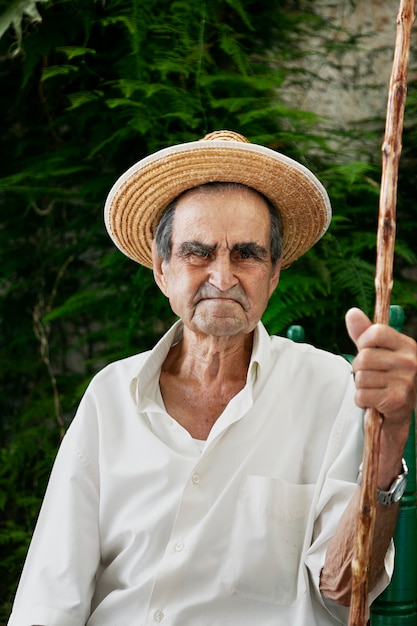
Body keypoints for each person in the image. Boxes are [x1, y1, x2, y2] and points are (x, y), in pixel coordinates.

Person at [8, 130, 417, 626]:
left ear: (274, 274)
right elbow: (50, 598)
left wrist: (390, 436)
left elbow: (345, 588)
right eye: (198, 253)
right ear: (162, 270)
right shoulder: (110, 397)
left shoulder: (331, 388)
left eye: (247, 254)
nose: (223, 277)